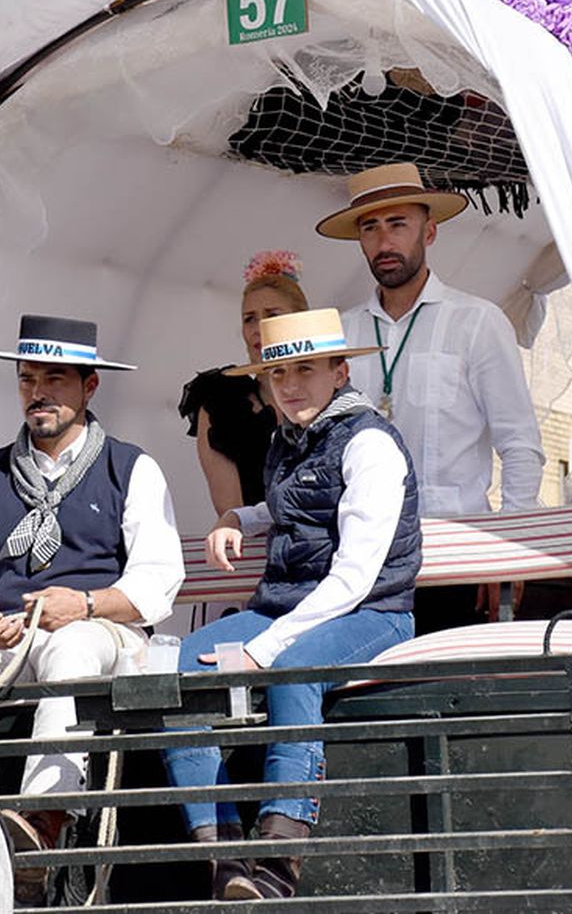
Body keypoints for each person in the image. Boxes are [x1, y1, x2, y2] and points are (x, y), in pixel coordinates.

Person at [0, 314, 184, 905]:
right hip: (8, 638)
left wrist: (80, 603)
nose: (39, 393)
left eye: (55, 379)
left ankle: (42, 824)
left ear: (89, 387)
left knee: (72, 646)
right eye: (28, 380)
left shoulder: (131, 469)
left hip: (101, 631)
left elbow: (157, 585)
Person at [164, 308, 419, 901]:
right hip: (290, 603)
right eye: (279, 375)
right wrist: (239, 517)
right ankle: (222, 857)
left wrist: (265, 646)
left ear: (337, 372)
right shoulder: (291, 438)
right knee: (178, 674)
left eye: (306, 370)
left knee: (290, 669)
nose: (291, 385)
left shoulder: (371, 443)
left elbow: (356, 577)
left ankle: (280, 857)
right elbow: (290, 507)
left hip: (374, 614)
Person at [321, 162, 545, 634]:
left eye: (398, 224)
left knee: (444, 698)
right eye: (370, 228)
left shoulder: (477, 323)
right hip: (361, 559)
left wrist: (506, 552)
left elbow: (519, 443)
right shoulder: (340, 332)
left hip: (453, 555)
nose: (384, 243)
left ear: (430, 231)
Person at [179, 250, 309, 514]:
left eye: (272, 315)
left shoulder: (329, 394)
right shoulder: (222, 400)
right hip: (252, 548)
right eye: (249, 318)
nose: (259, 327)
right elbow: (230, 510)